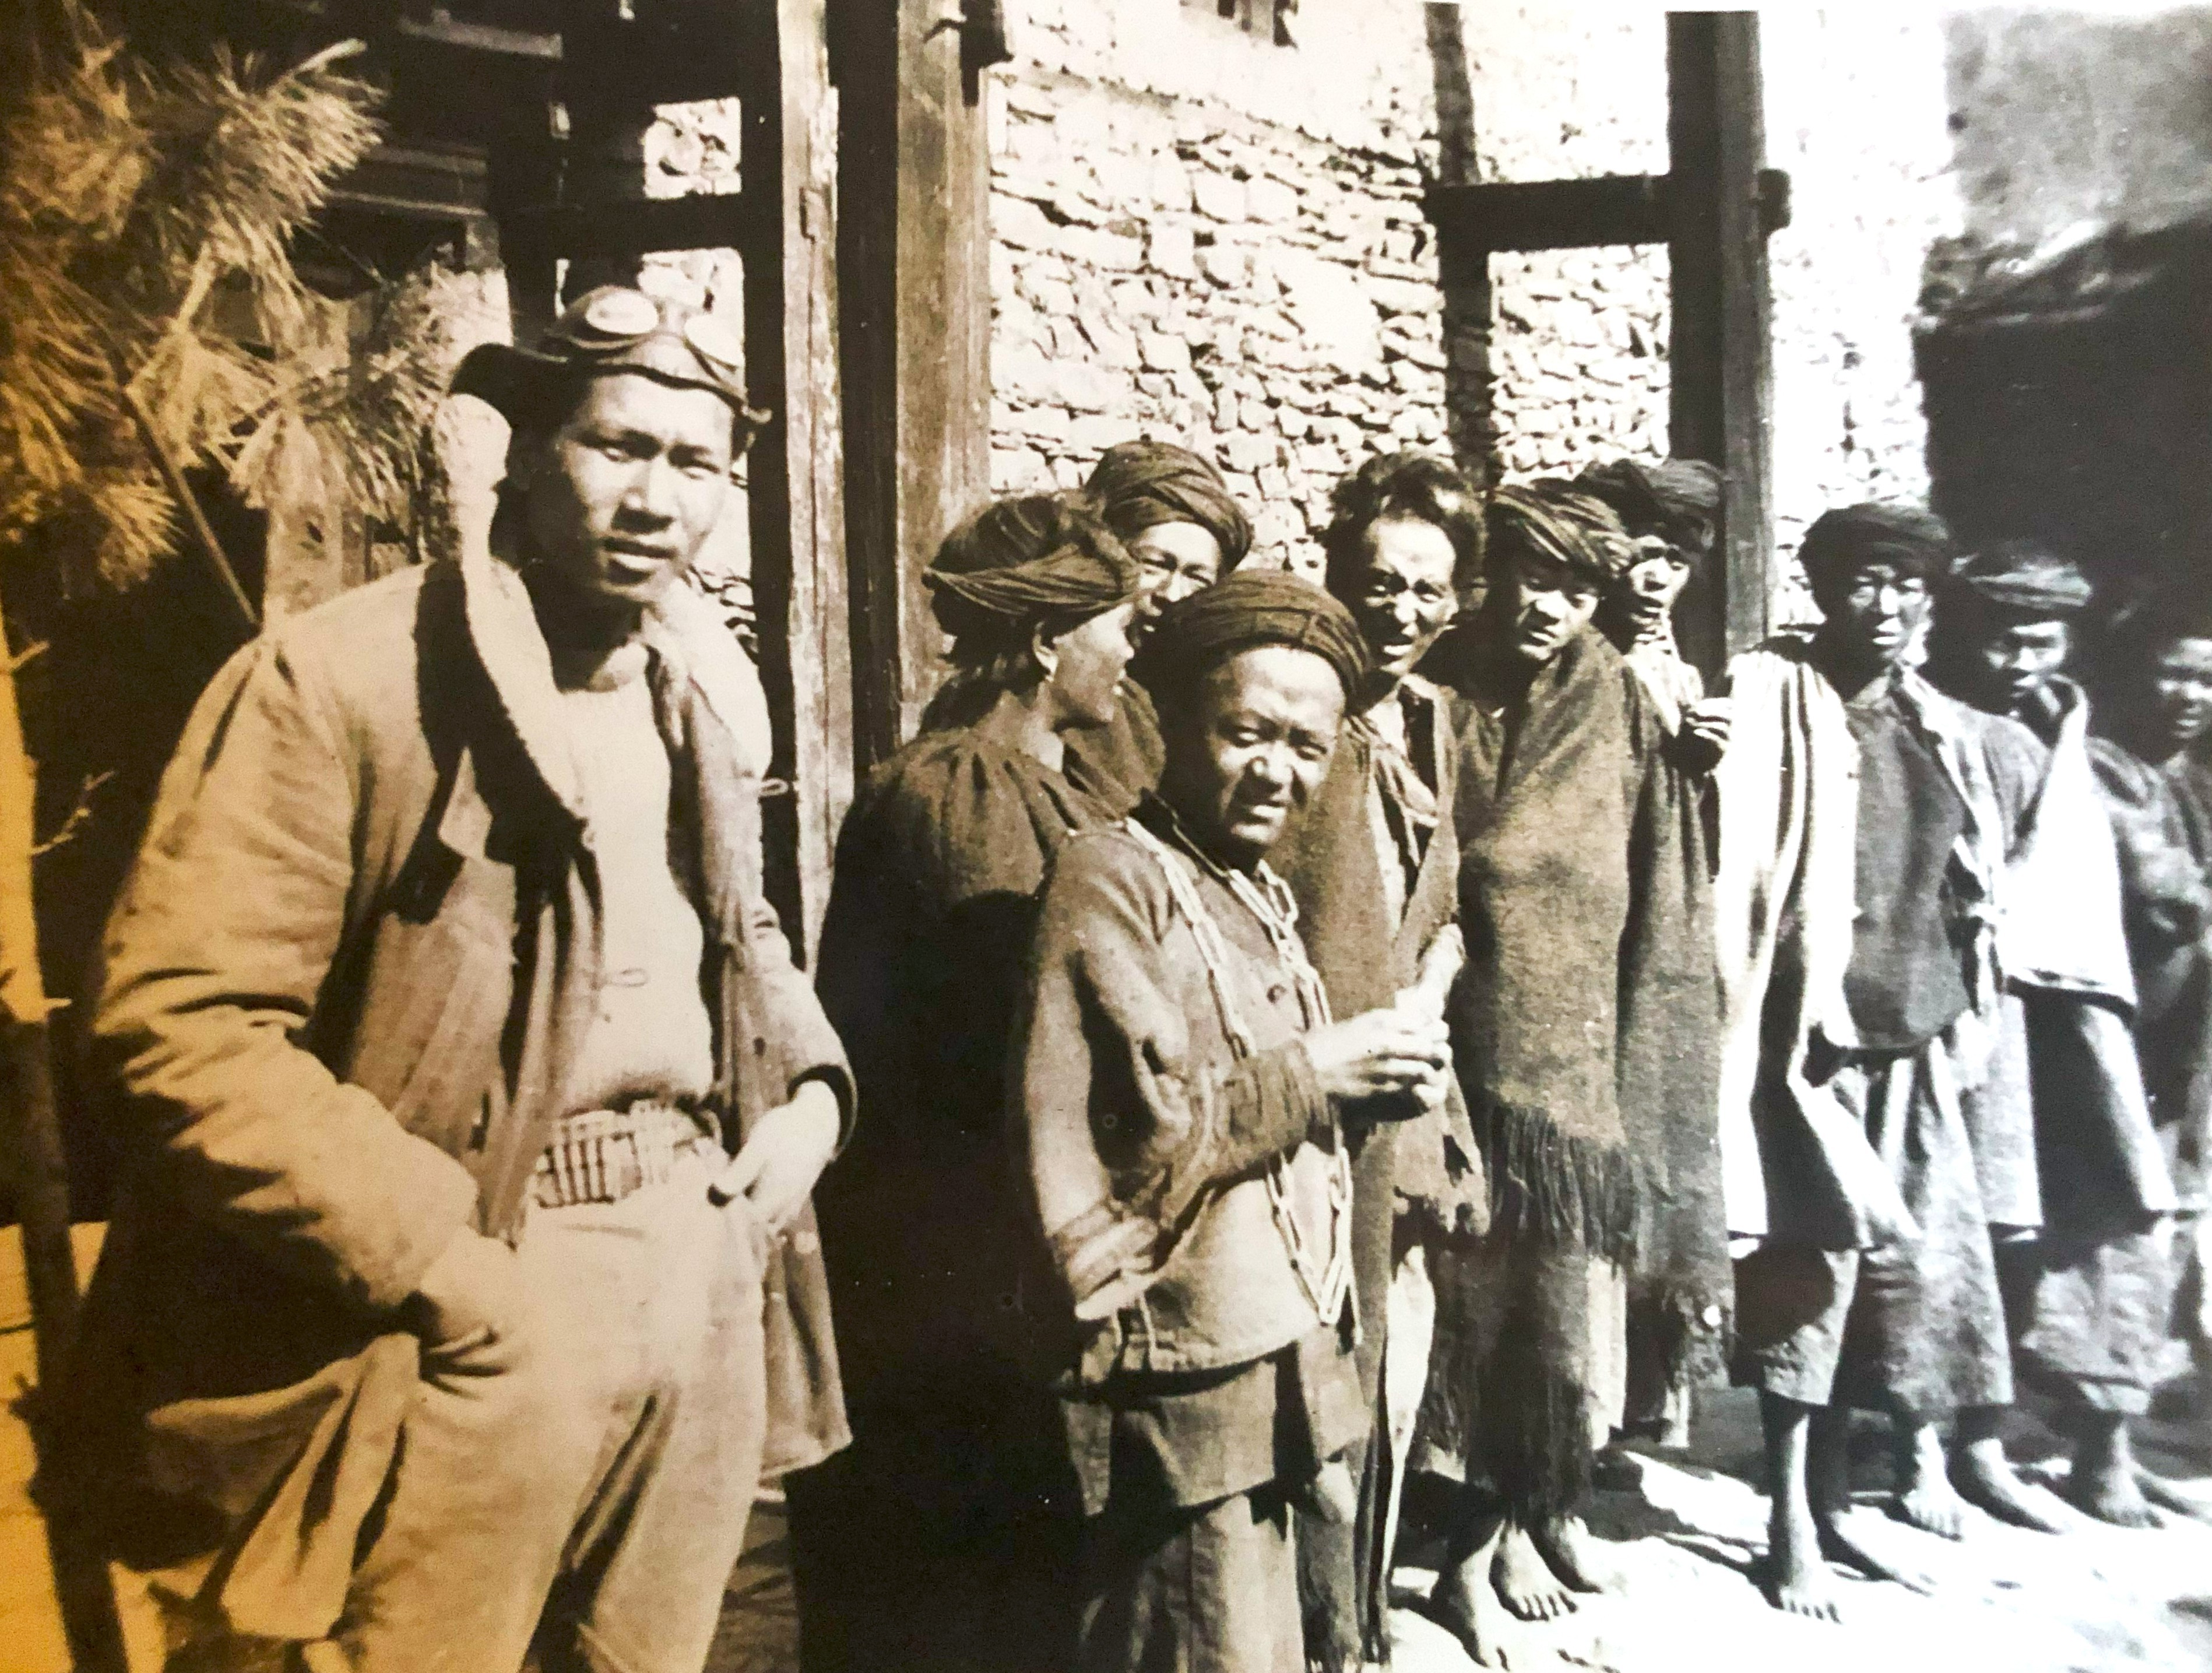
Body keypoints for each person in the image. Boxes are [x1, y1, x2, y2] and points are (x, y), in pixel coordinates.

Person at [57, 286, 853, 1672]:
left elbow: (739, 931)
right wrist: (447, 1270)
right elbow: (178, 1027)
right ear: (527, 455)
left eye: (693, 464)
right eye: (617, 447)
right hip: (478, 1287)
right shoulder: (343, 682)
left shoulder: (683, 692)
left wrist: (813, 1094)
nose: (654, 498)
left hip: (698, 1262)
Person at [1016, 569, 1454, 1673]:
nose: (1278, 772)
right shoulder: (1112, 876)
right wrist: (1318, 1068)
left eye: (1308, 748)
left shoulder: (1254, 890)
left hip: (1274, 1372)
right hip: (1180, 1387)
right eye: (1247, 733)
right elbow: (1132, 1138)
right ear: (1174, 720)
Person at [802, 493, 1140, 1672]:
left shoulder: (1052, 782)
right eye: (1119, 624)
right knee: (952, 1573)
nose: (1132, 650)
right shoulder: (964, 791)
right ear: (1050, 641)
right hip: (947, 1242)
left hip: (990, 1234)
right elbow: (1007, 1019)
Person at [1714, 503, 2036, 1621]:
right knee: (1804, 1275)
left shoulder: (1940, 725)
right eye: (1864, 583)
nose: (1887, 606)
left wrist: (1963, 1009)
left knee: (1906, 1283)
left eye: (1906, 586)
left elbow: (1971, 880)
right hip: (1809, 1043)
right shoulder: (1770, 697)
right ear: (1824, 588)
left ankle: (1851, 1494)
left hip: (1913, 1039)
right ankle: (1789, 1519)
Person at [1412, 481, 1692, 1661]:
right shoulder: (1438, 686)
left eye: (1575, 587)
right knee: (1458, 1318)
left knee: (1549, 1318)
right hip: (1445, 1047)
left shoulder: (1617, 700)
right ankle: (1458, 1553)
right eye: (1529, 575)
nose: (1547, 605)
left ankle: (1521, 1516)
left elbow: (1656, 878)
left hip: (1563, 1065)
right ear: (1492, 570)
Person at [1269, 451, 1488, 1671]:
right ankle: (1314, 1630)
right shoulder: (1294, 718)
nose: (1397, 611)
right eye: (1376, 582)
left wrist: (1438, 981)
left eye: (1425, 589)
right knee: (1318, 1361)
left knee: (1394, 1364)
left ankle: (1357, 1618)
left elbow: (1445, 904)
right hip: (1309, 1085)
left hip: (1403, 1095)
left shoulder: (1431, 722)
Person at [1928, 542, 2181, 1527]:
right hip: (1985, 999)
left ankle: (2102, 1436)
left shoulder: (2066, 726)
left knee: (2113, 1206)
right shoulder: (1941, 720)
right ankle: (1973, 1435)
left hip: (2078, 998)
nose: (2020, 659)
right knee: (1989, 1217)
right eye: (2002, 639)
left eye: (2040, 640)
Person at [1578, 455, 1735, 1448]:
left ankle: (1643, 1398)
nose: (1653, 578)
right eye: (1639, 555)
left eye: (1673, 560)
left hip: (1664, 937)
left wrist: (1708, 767)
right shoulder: (1582, 662)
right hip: (1598, 926)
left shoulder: (1680, 668)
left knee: (1659, 1134)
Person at [2088, 596, 2212, 1444]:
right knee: (2130, 1209)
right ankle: (2100, 1419)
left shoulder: (2191, 775)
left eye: (2205, 675)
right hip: (2132, 1032)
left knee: (2188, 1206)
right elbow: (2165, 893)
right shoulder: (2106, 769)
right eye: (2170, 670)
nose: (2188, 691)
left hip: (2192, 1040)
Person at [1064, 438, 1254, 807]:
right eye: (1153, 565)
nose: (1173, 594)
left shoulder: (1205, 694)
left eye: (1198, 578)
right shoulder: (1076, 693)